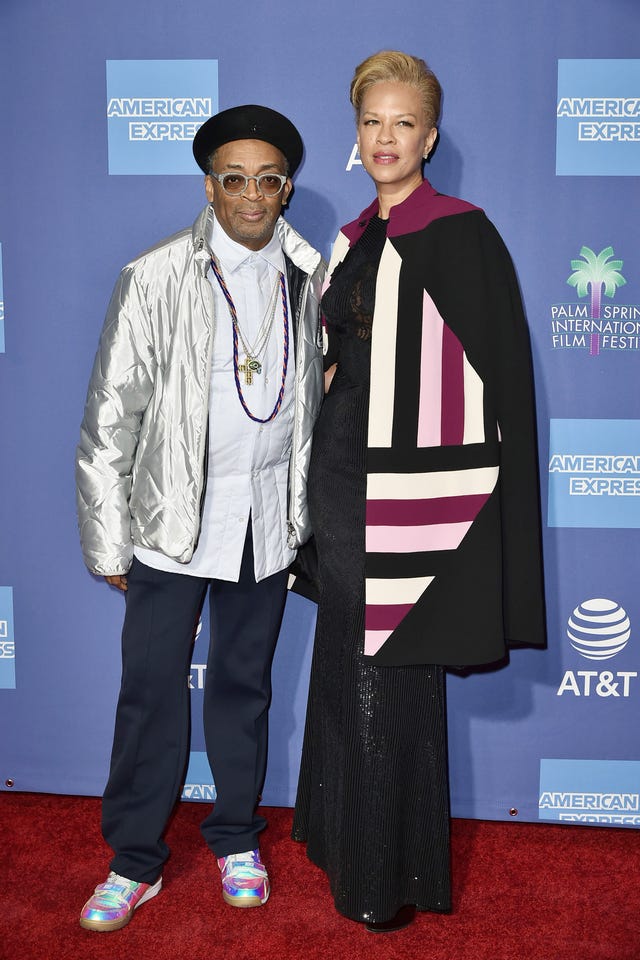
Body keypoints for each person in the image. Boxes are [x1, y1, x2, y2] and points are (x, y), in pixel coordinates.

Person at [292, 52, 546, 933]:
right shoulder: (353, 238)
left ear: (430, 136)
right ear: (355, 138)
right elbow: (334, 362)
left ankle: (384, 873)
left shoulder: (461, 231)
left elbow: (494, 386)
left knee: (389, 669)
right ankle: (340, 839)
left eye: (404, 123)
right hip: (336, 476)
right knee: (344, 663)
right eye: (373, 123)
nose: (386, 137)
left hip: (410, 490)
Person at [75, 104, 325, 932]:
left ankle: (235, 839)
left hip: (264, 528)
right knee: (150, 696)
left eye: (268, 179)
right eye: (234, 178)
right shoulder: (153, 275)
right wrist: (108, 537)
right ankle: (134, 860)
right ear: (208, 186)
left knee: (243, 693)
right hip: (169, 525)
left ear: (286, 189)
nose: (251, 195)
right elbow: (112, 416)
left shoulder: (310, 277)